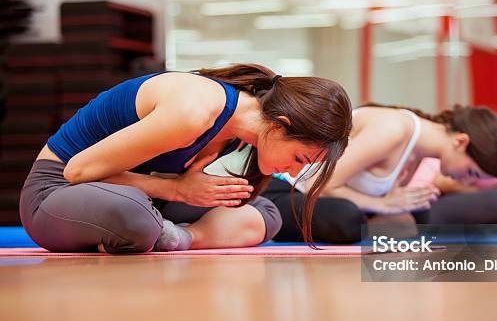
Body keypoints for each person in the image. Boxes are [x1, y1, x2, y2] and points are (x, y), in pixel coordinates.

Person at [19, 64, 352, 252]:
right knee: (134, 214)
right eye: (299, 157)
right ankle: (150, 231)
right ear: (282, 125)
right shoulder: (195, 111)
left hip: (139, 196)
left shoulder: (239, 128)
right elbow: (79, 170)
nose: (293, 170)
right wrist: (177, 189)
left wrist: (180, 191)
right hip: (55, 190)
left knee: (262, 211)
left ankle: (178, 238)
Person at [263, 103, 497, 243]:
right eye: (471, 172)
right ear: (461, 142)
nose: (465, 181)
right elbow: (325, 184)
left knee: (410, 220)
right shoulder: (393, 128)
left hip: (324, 200)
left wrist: (391, 207)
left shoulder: (419, 149)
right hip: (286, 191)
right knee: (346, 218)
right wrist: (383, 204)